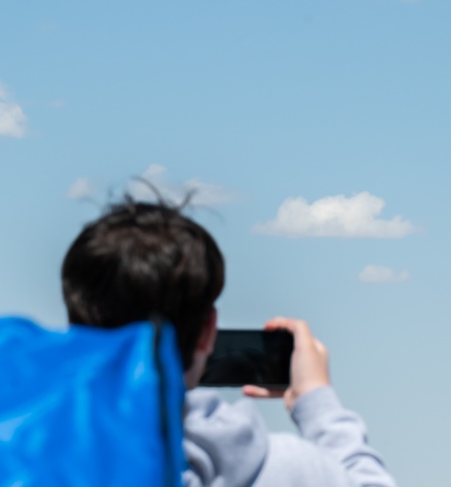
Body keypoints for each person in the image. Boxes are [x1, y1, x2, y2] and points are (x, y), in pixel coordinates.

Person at [60, 198, 396, 487]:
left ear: (75, 324)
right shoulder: (284, 470)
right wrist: (317, 402)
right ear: (208, 330)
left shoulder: (25, 447)